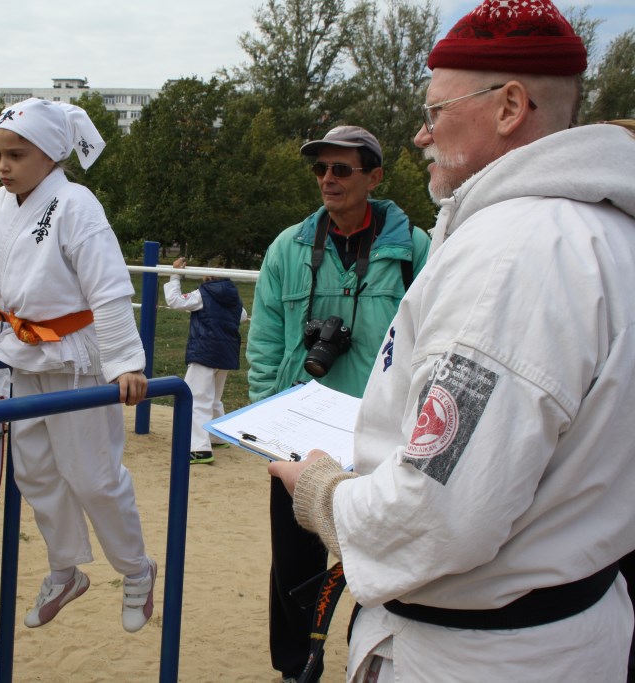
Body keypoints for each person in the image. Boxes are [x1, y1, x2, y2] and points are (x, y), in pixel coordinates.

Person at [268, 1, 635, 680]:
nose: (420, 134)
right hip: (567, 626)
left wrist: (319, 490)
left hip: (472, 654)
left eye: (436, 111)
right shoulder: (607, 230)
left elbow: (438, 512)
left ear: (509, 106)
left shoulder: (511, 255)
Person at [0, 97, 157, 633]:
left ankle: (136, 569)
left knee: (93, 476)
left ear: (50, 155)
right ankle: (65, 570)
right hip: (22, 357)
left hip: (76, 361)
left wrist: (125, 363)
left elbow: (109, 288)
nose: (3, 166)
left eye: (16, 155)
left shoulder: (76, 203)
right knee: (35, 471)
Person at [245, 125, 429, 682]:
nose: (328, 178)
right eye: (320, 168)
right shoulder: (289, 247)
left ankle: (365, 660)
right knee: (293, 563)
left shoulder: (415, 249)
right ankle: (293, 668)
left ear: (374, 177)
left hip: (380, 436)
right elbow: (265, 341)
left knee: (376, 560)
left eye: (342, 169)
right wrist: (269, 422)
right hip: (301, 435)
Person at [163, 256, 247, 464]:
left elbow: (175, 301)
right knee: (214, 397)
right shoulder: (234, 298)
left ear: (207, 277)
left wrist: (175, 275)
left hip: (205, 351)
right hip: (225, 353)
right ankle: (217, 436)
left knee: (195, 398)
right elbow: (242, 316)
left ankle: (199, 448)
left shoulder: (203, 293)